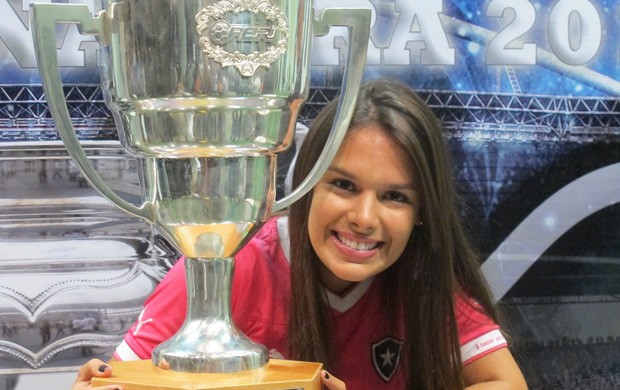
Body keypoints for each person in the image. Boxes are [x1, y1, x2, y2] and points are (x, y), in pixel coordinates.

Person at [73, 79, 527, 389]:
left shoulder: (419, 275)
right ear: (305, 184)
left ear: (423, 212)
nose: (364, 217)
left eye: (395, 197)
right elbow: (123, 378)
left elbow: (505, 381)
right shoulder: (232, 263)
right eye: (344, 185)